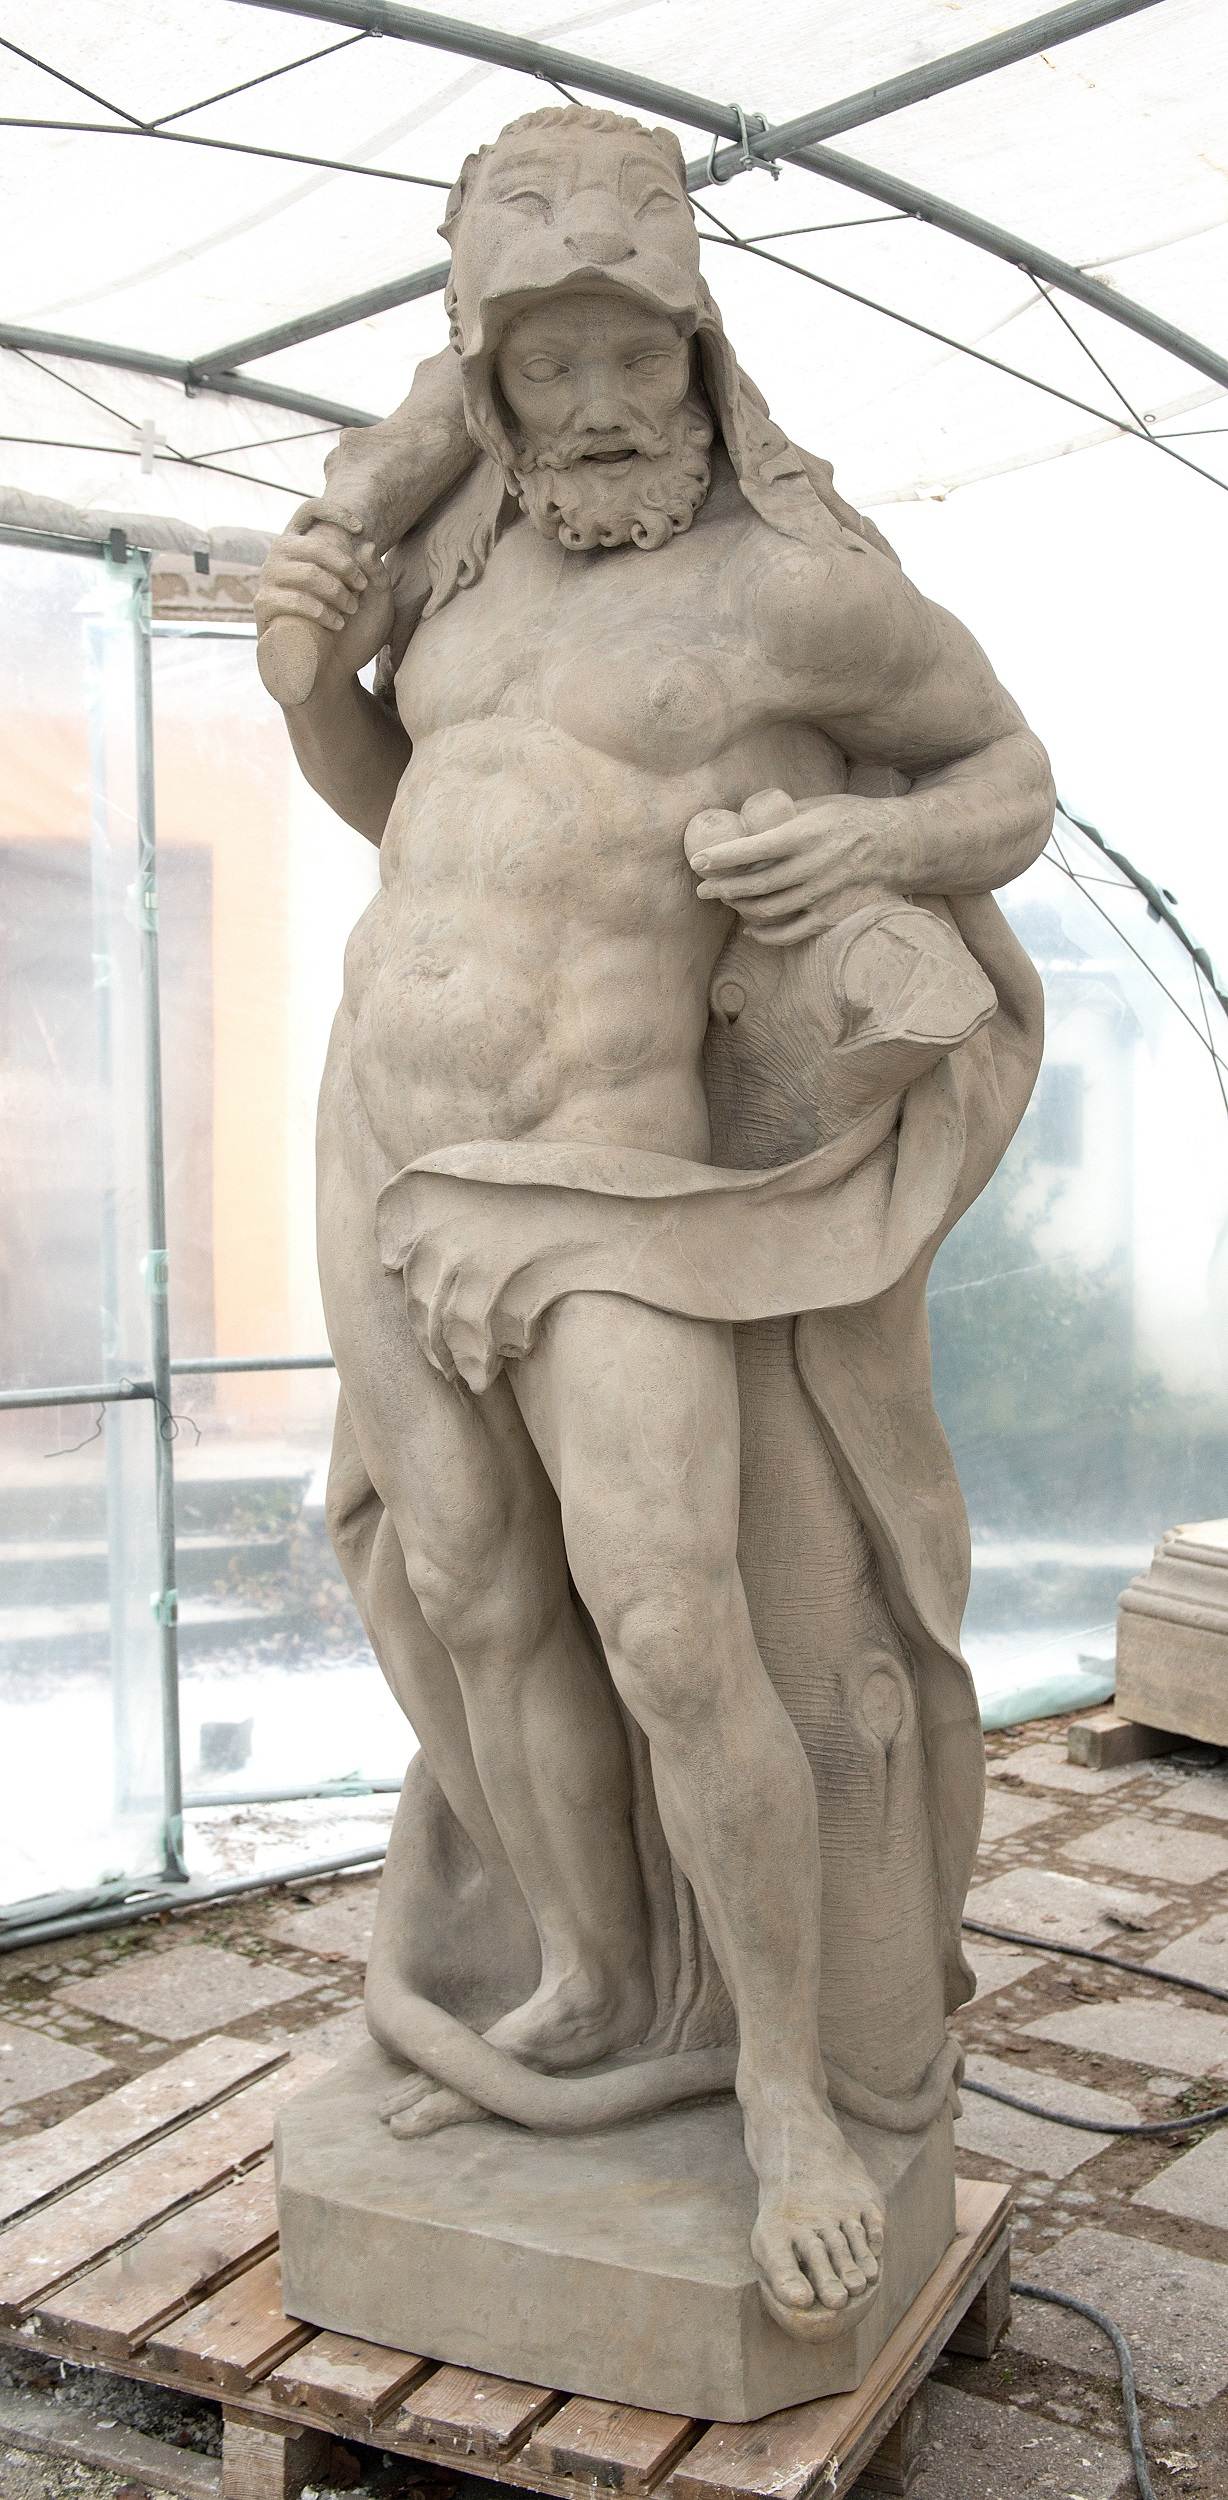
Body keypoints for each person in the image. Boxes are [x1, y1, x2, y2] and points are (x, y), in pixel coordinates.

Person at [255, 104, 1051, 2341]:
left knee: (681, 1627)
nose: (597, 402)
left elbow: (1009, 776)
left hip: (613, 1175)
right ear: (484, 375)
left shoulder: (795, 591)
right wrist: (313, 689)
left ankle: (789, 2094)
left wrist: (872, 854)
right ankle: (596, 1980)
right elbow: (411, 811)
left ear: (699, 352)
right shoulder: (458, 574)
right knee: (471, 1589)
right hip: (384, 1138)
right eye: (548, 361)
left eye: (634, 353)